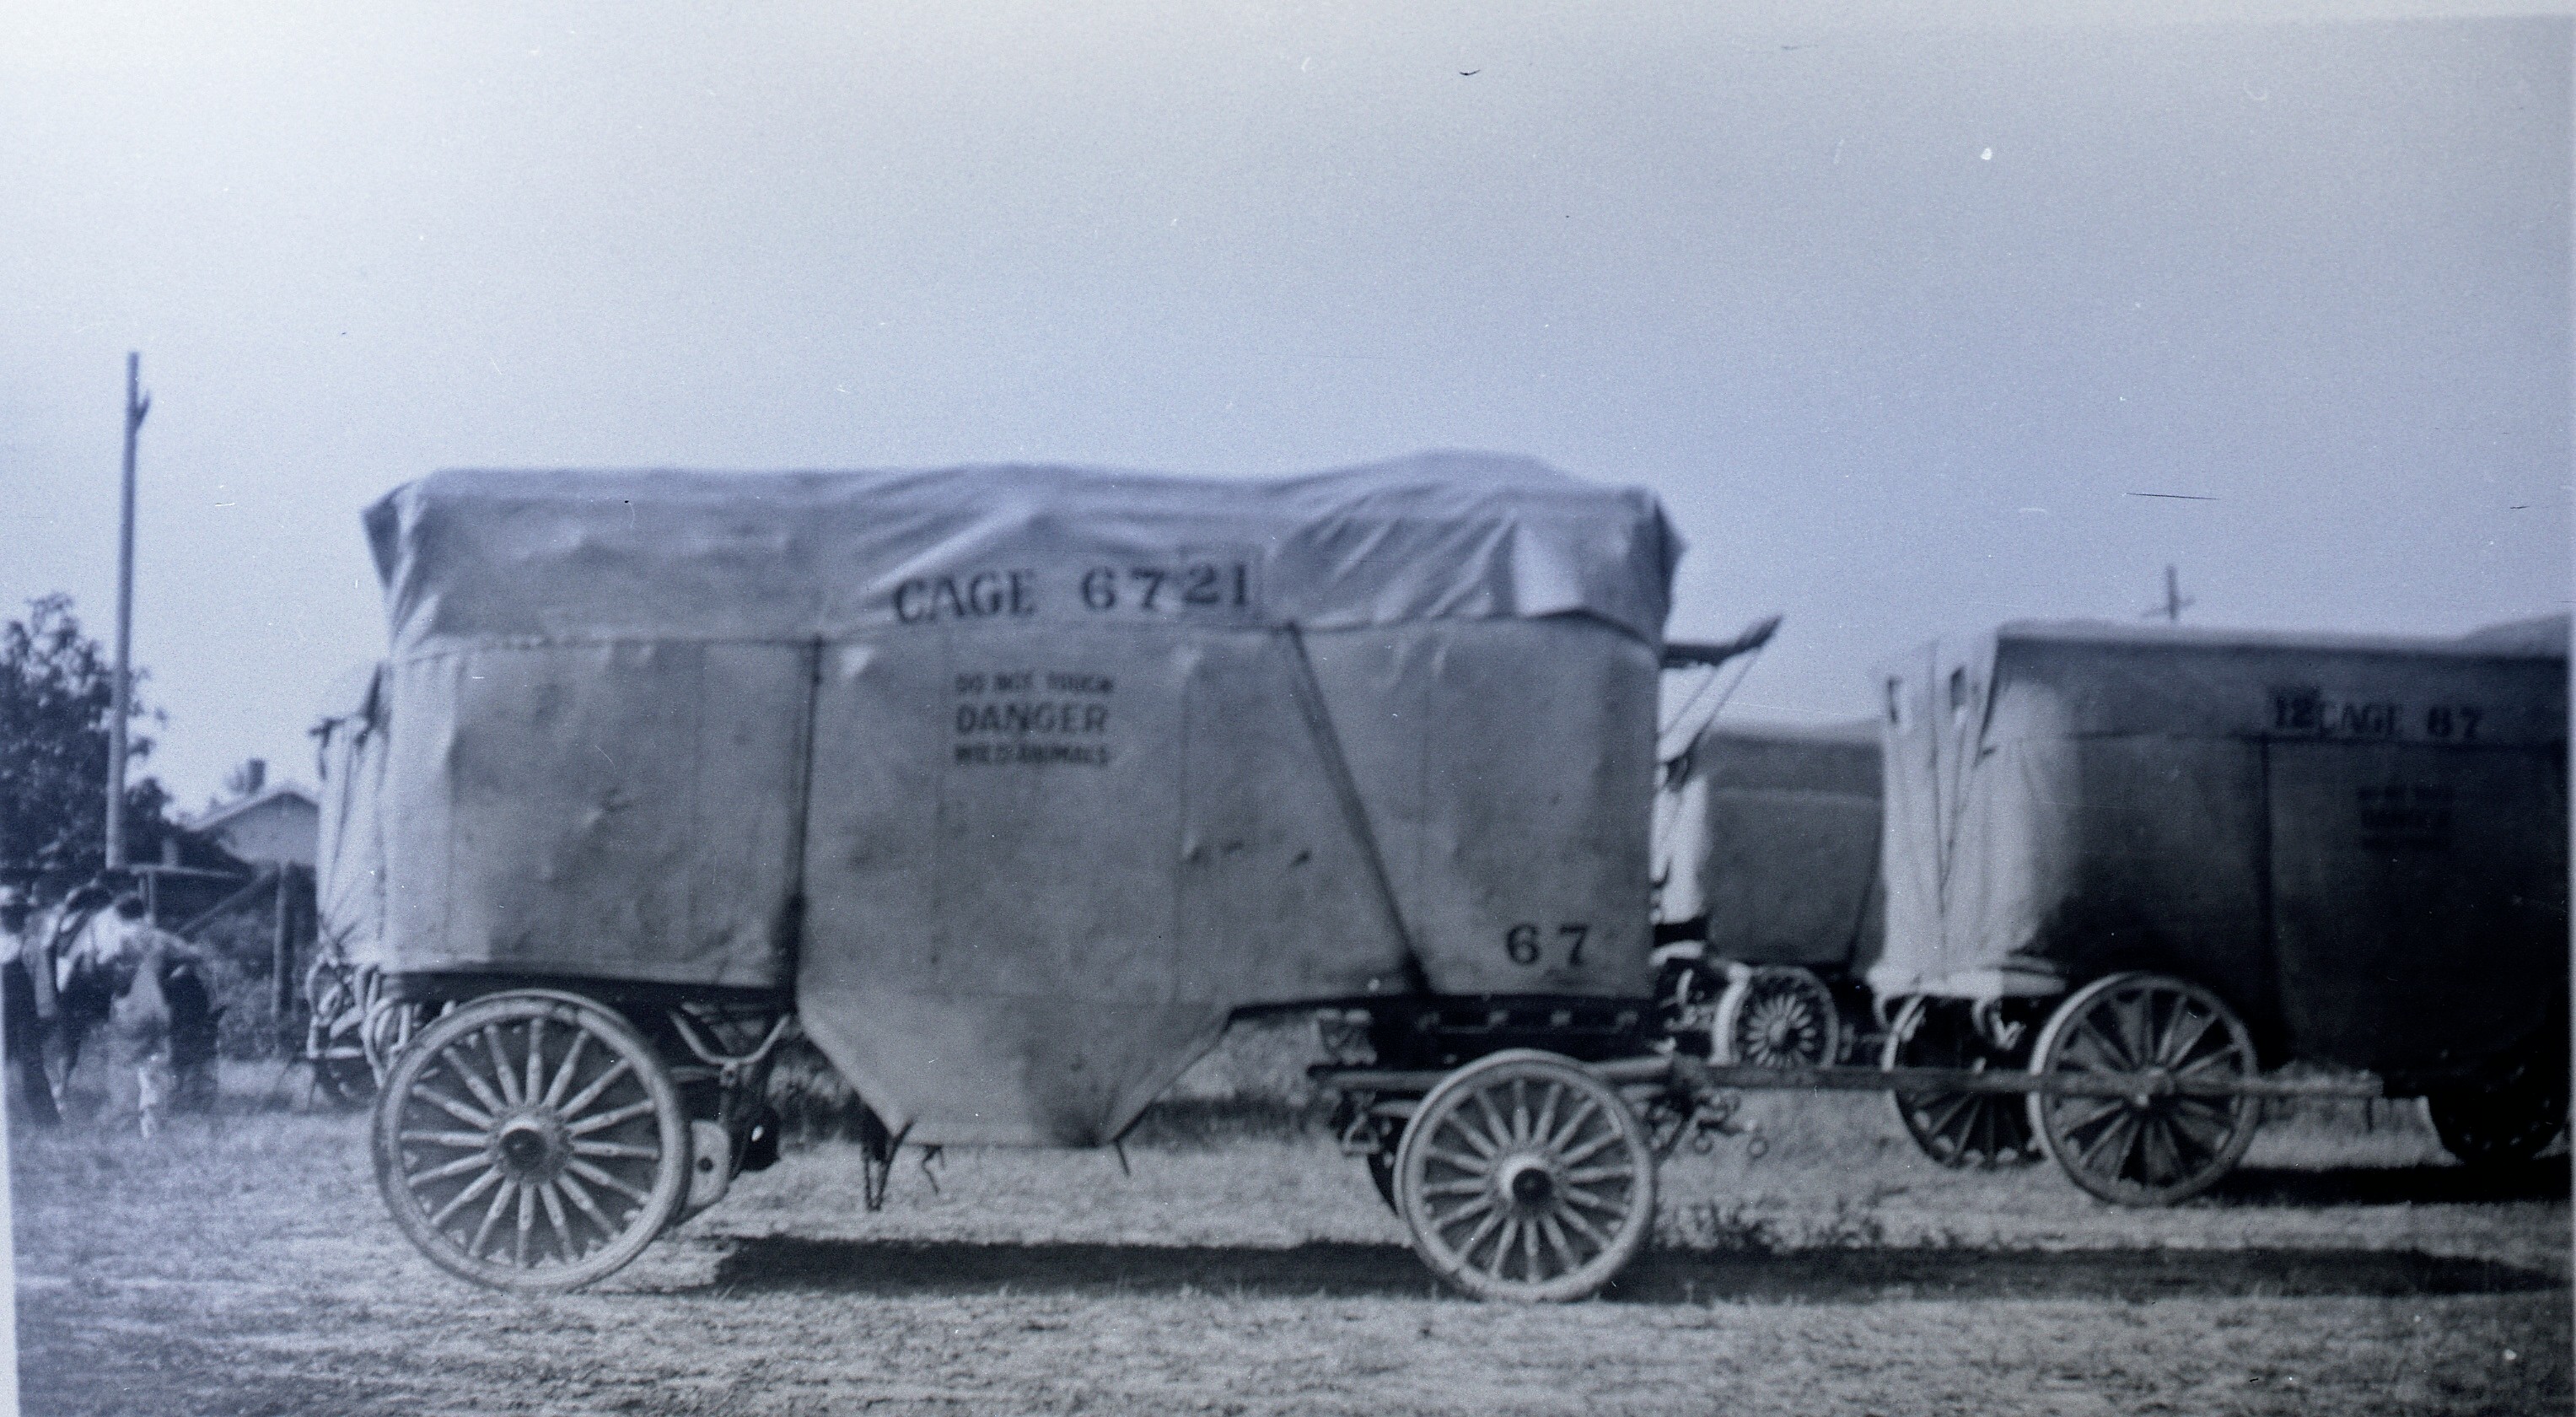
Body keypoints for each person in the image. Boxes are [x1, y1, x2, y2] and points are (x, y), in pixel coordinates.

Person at [0, 888, 61, 1126]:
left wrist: (45, 1010)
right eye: (5, 913)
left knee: (31, 1064)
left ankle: (46, 1120)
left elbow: (42, 980)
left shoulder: (30, 943)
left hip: (23, 1014)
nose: (10, 918)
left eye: (16, 913)